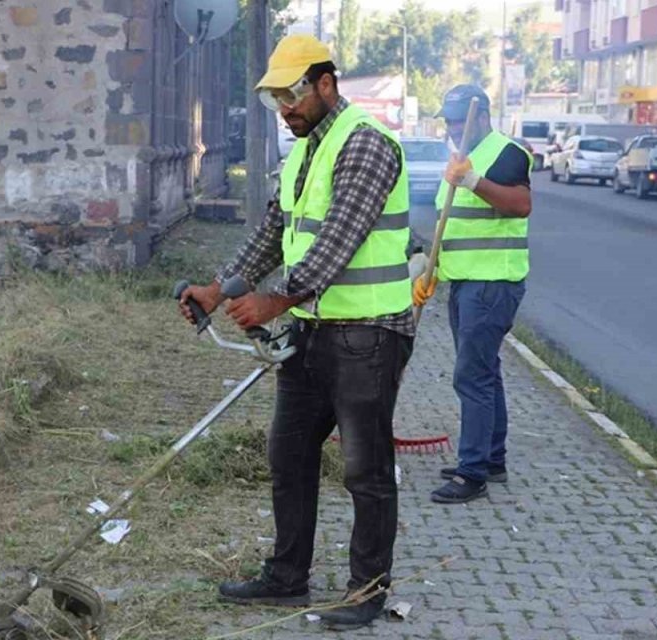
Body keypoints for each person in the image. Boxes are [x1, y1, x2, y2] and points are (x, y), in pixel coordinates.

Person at [178, 34, 413, 630]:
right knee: (288, 453)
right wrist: (219, 288)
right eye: (276, 98)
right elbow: (272, 233)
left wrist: (273, 300)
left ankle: (365, 592)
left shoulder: (366, 145)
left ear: (326, 83)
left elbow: (338, 241)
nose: (285, 107)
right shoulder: (307, 152)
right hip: (312, 330)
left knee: (365, 469)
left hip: (369, 333)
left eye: (293, 93)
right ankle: (287, 577)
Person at [412, 85, 532, 504]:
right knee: (486, 371)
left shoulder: (505, 153)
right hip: (466, 282)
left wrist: (474, 180)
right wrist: (432, 271)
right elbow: (455, 225)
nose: (453, 128)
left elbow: (520, 204)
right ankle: (492, 460)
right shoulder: (460, 157)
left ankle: (472, 473)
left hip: (492, 284)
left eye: (461, 120)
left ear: (482, 117)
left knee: (471, 376)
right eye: (449, 121)